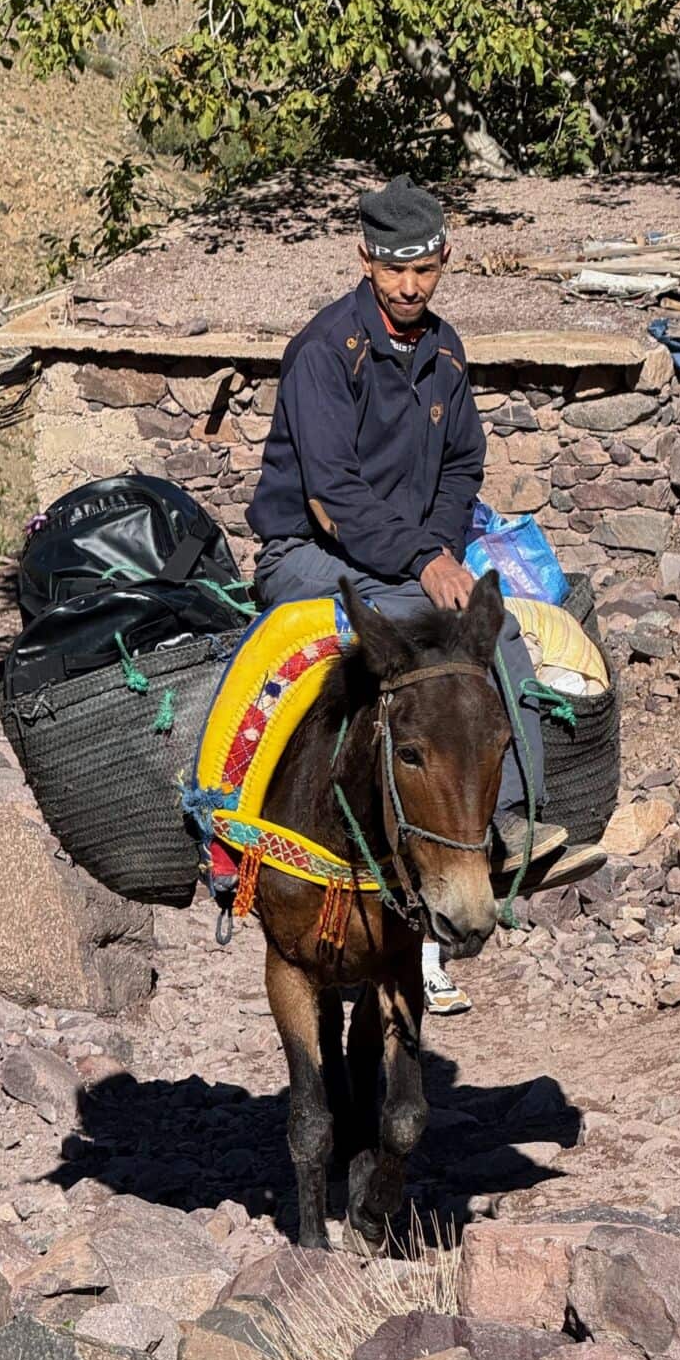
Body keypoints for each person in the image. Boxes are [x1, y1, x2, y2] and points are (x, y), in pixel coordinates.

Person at [248, 174, 601, 1012]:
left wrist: (440, 550)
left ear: (444, 260)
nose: (410, 287)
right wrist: (422, 562)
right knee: (396, 641)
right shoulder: (324, 352)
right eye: (393, 269)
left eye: (425, 270)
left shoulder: (444, 352)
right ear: (365, 259)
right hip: (312, 552)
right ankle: (251, 823)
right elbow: (331, 494)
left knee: (493, 633)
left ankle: (509, 826)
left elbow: (462, 466)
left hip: (408, 555)